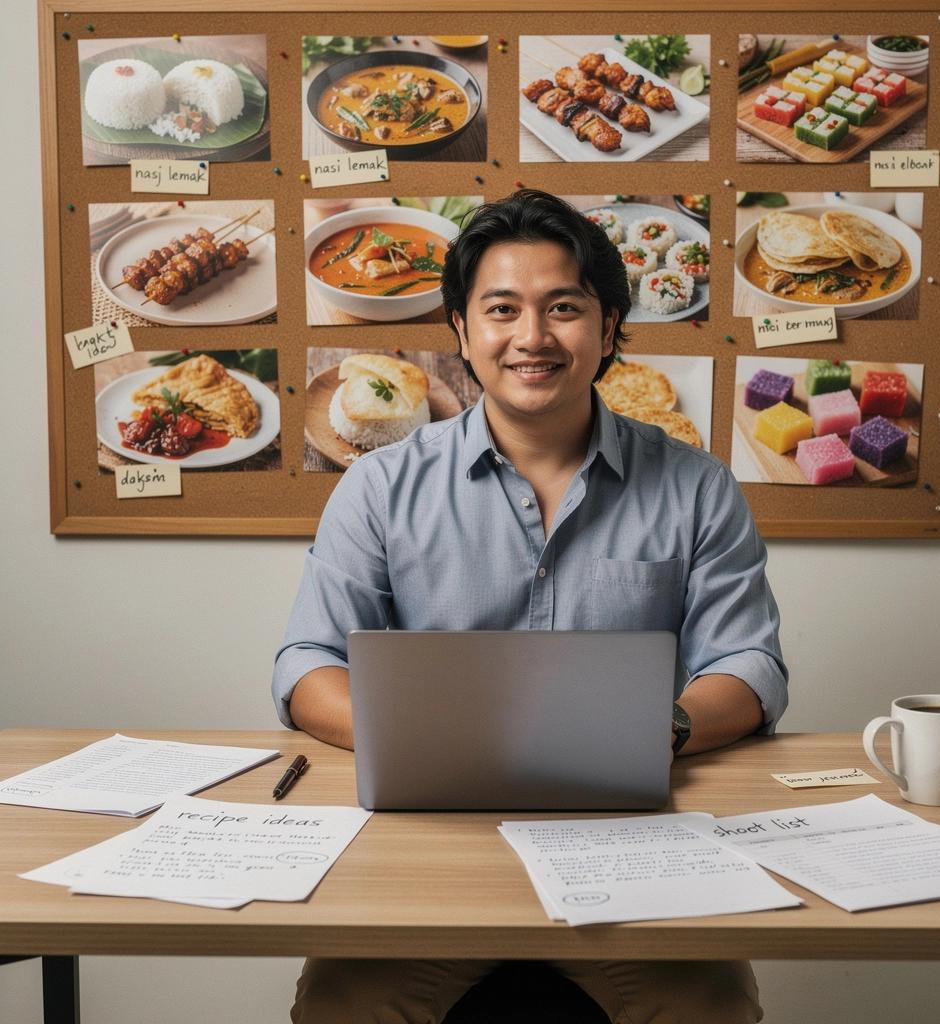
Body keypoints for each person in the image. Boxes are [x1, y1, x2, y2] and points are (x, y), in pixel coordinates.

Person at [273, 189, 788, 1024]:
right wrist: (415, 739)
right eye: (502, 309)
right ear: (462, 329)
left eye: (564, 308)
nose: (533, 337)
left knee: (709, 1005)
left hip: (632, 843)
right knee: (344, 1005)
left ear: (610, 327)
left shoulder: (697, 486)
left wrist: (662, 728)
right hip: (431, 840)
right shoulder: (380, 486)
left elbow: (748, 664)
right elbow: (307, 662)